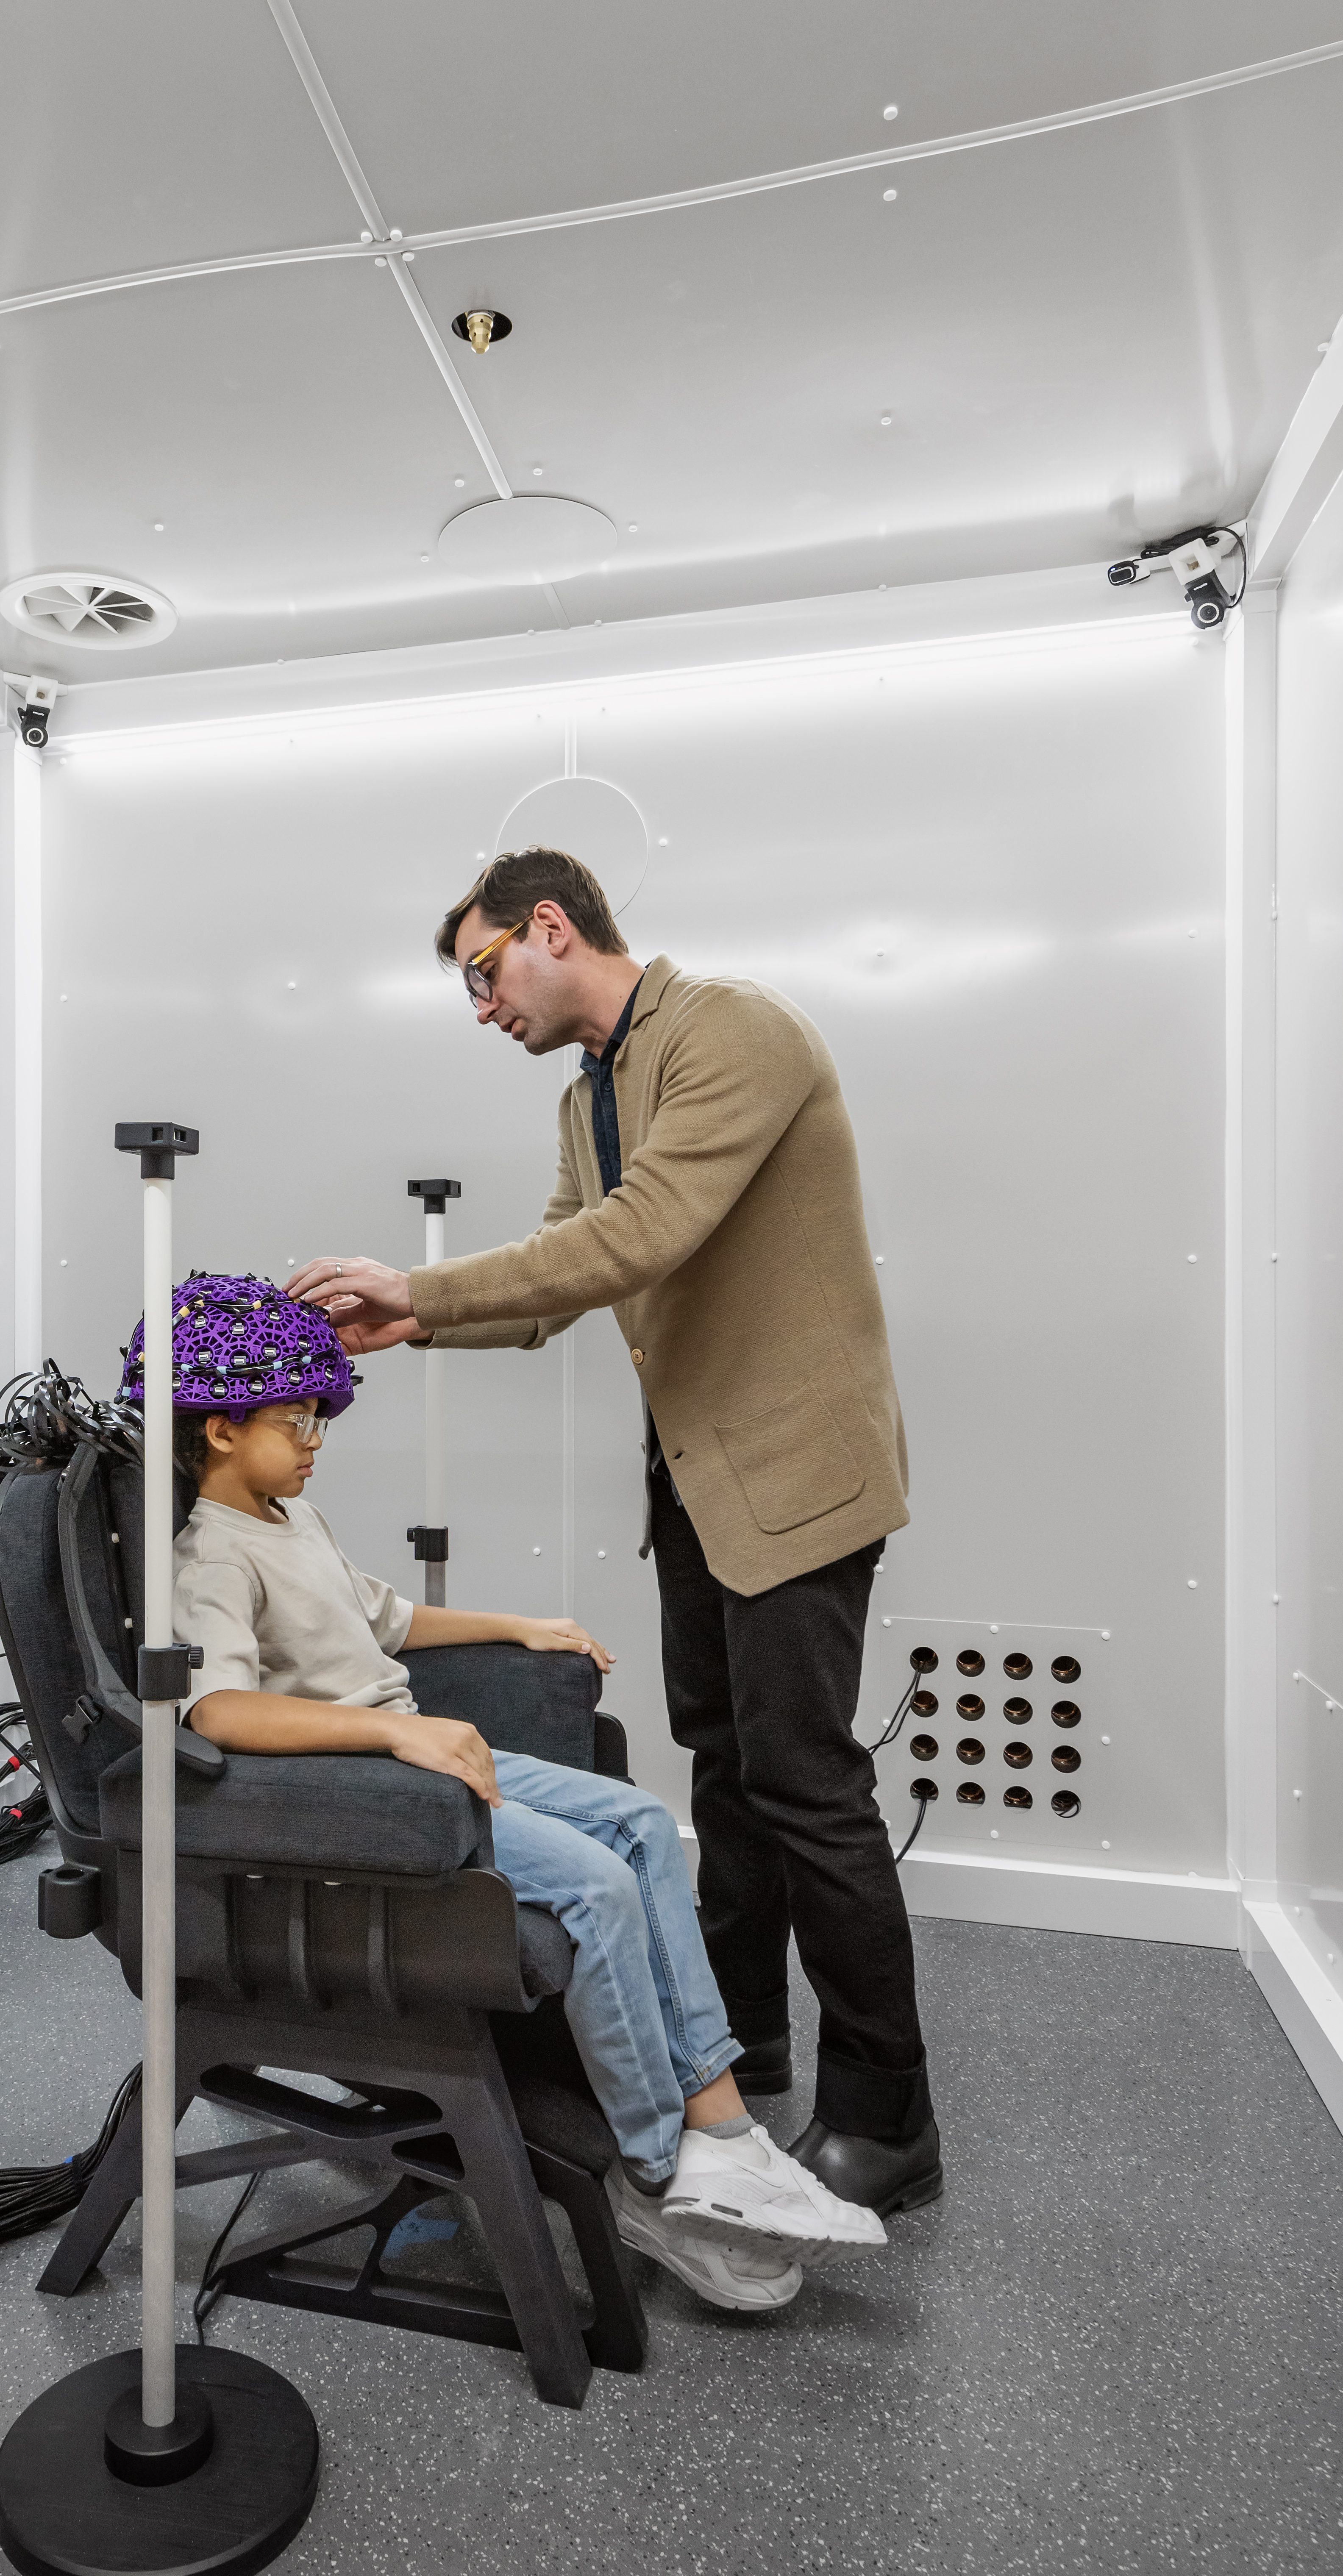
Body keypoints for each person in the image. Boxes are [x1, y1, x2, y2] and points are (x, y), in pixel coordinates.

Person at [286, 848, 940, 2217]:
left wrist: (417, 1280)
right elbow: (549, 1283)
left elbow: (638, 1238)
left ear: (547, 927)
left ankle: (886, 2119)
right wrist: (400, 1320)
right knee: (724, 1759)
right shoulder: (589, 1099)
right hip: (700, 1482)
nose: (480, 1008)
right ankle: (742, 2033)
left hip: (796, 1477)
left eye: (482, 972)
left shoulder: (732, 1034)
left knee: (806, 1781)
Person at [119, 1273, 887, 2315]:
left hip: (416, 1758)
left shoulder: (291, 1518)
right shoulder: (207, 1557)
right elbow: (221, 1715)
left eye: (317, 1421)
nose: (313, 1441)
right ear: (217, 1430)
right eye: (294, 1421)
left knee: (644, 1829)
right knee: (596, 1890)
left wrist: (520, 1626)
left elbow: (384, 1620)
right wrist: (396, 1728)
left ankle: (723, 2135)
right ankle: (655, 2174)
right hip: (371, 1795)